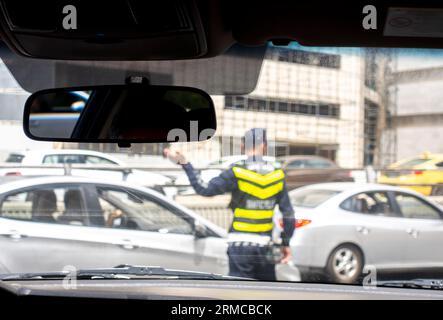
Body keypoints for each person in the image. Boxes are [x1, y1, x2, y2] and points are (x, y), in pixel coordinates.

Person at [164, 128, 295, 281]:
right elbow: (289, 215)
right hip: (266, 247)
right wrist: (286, 243)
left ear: (243, 145)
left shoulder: (237, 171)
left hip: (240, 245)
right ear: (264, 145)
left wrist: (185, 163)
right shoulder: (277, 174)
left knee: (239, 292)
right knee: (266, 291)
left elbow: (204, 189)